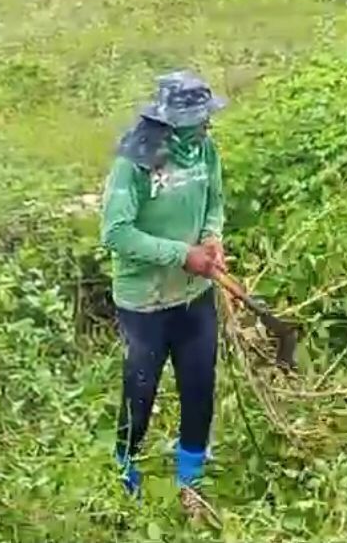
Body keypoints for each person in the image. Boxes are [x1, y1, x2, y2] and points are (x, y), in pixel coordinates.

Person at [100, 70, 227, 516]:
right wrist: (180, 254)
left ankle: (191, 478)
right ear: (172, 120)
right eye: (198, 119)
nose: (206, 126)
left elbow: (214, 199)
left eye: (206, 118)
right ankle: (124, 470)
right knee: (141, 389)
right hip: (146, 302)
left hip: (194, 294)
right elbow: (115, 233)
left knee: (199, 385)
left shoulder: (204, 150)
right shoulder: (136, 161)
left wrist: (211, 238)